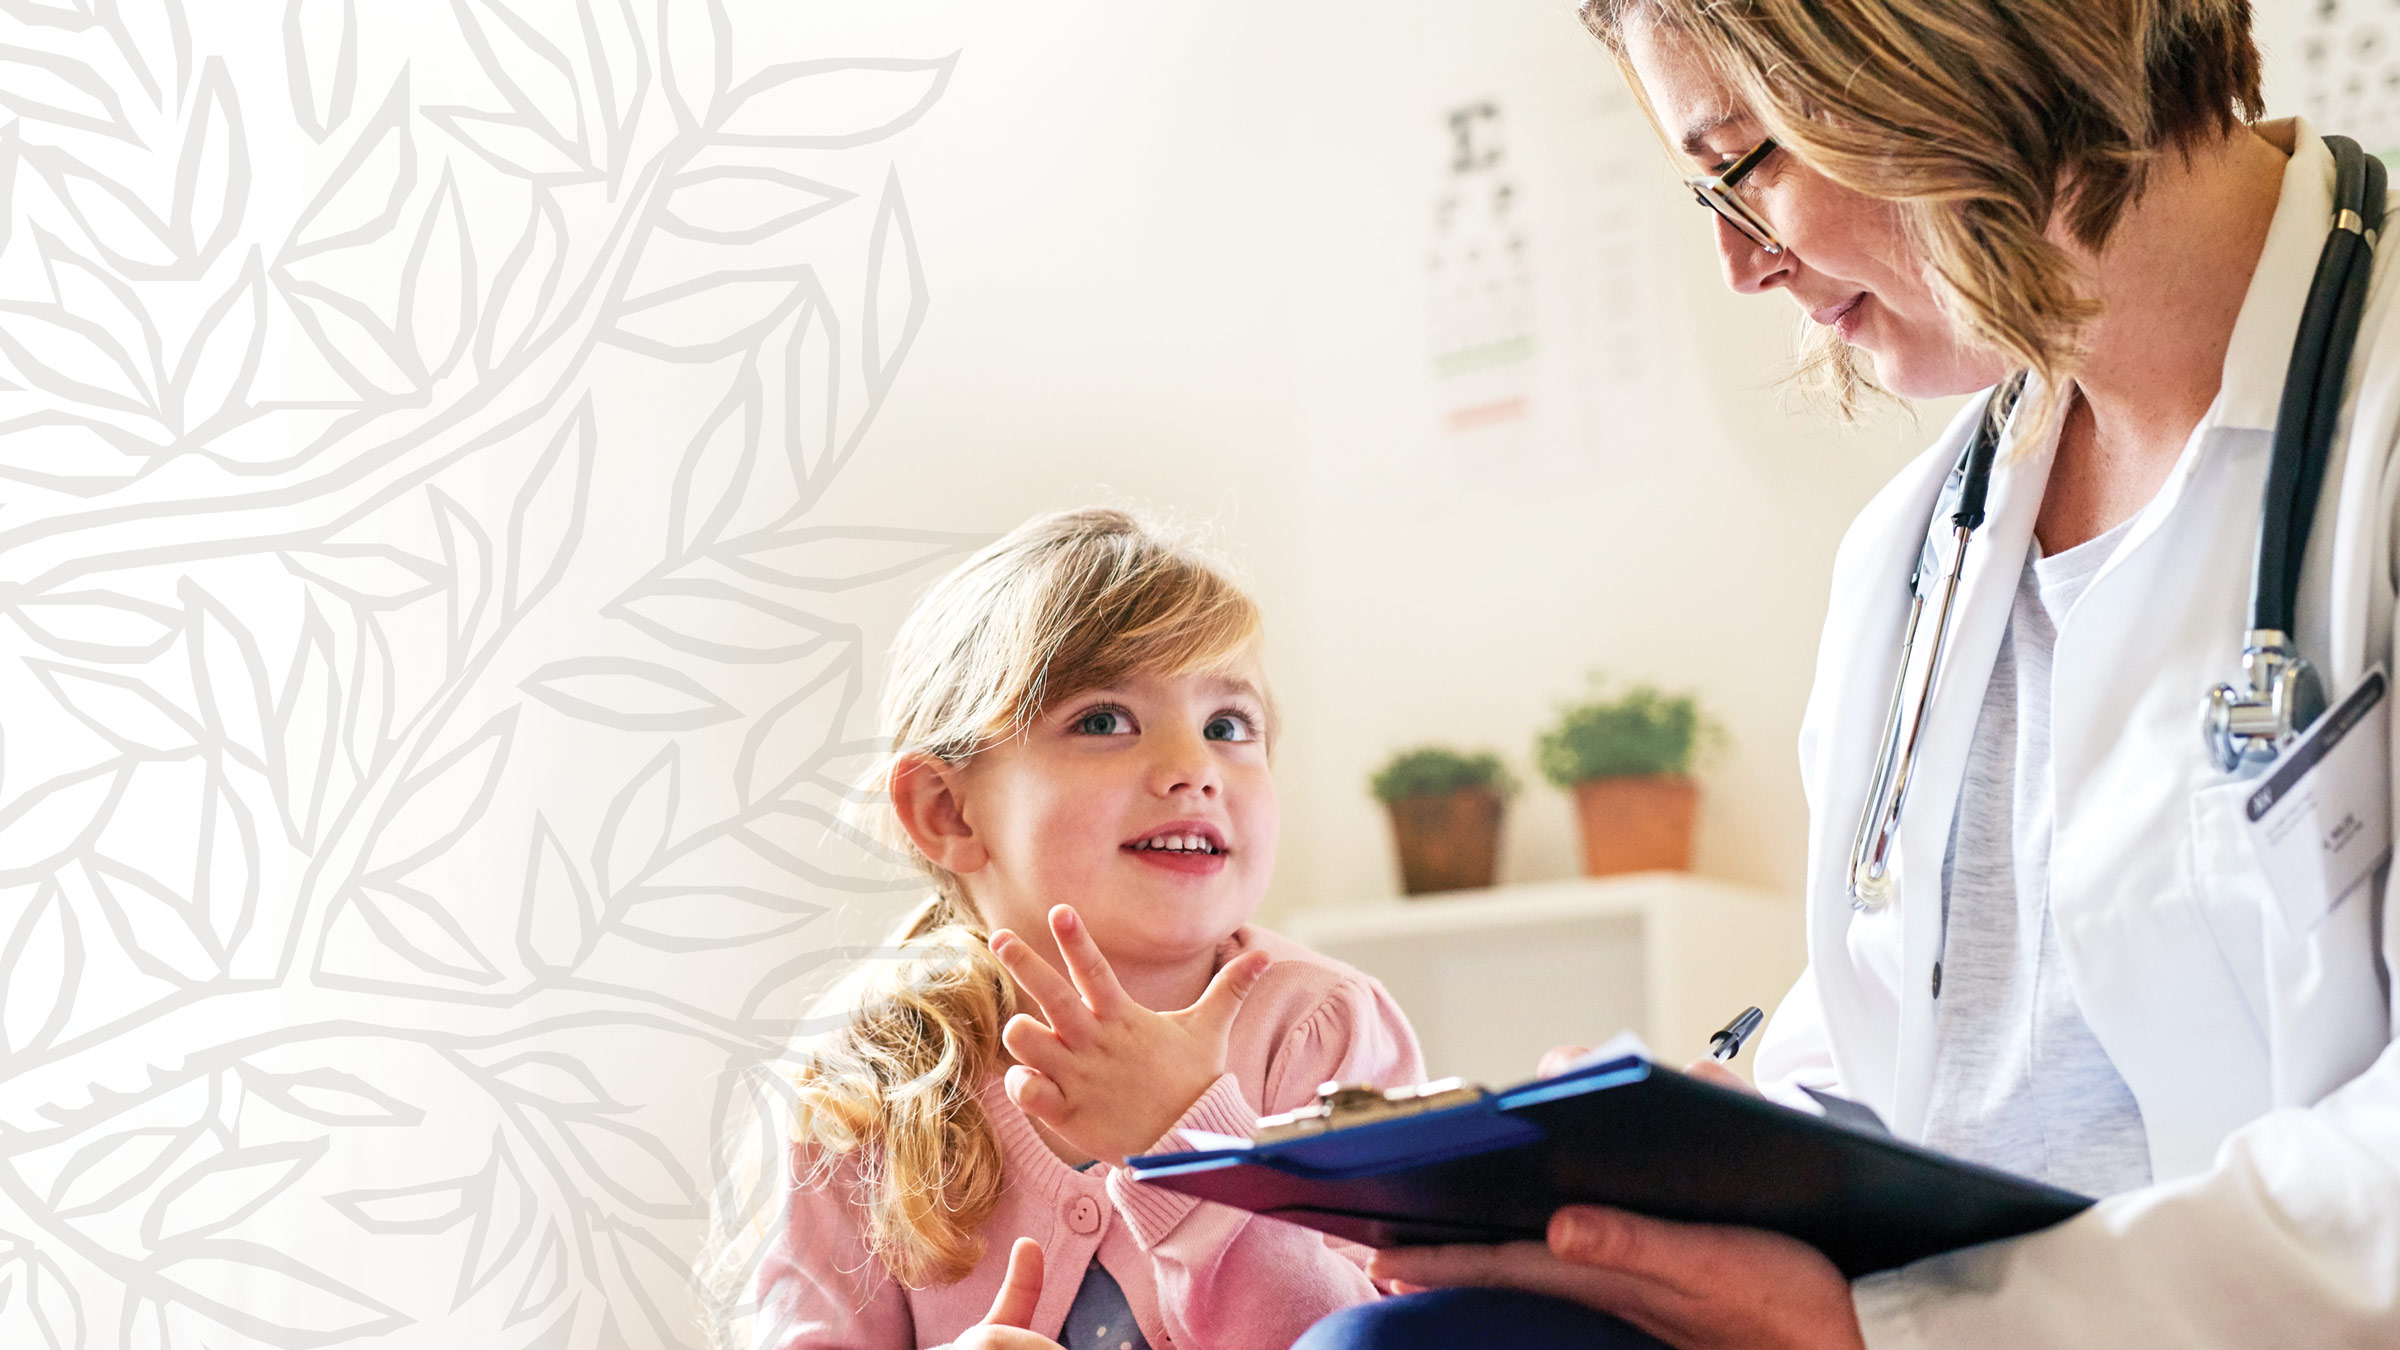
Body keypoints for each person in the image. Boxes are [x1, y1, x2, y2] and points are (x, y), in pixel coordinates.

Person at [1299, 1, 2400, 1346]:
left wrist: (1905, 1327)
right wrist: (1726, 1150)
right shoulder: (1919, 551)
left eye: (1746, 160)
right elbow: (1898, 1049)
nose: (1735, 264)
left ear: (1952, 45)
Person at [740, 508, 1426, 1349]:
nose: (1193, 769)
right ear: (946, 809)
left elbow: (1362, 1336)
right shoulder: (868, 1070)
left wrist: (1187, 1136)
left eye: (1227, 727)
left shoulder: (1324, 1030)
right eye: (1104, 720)